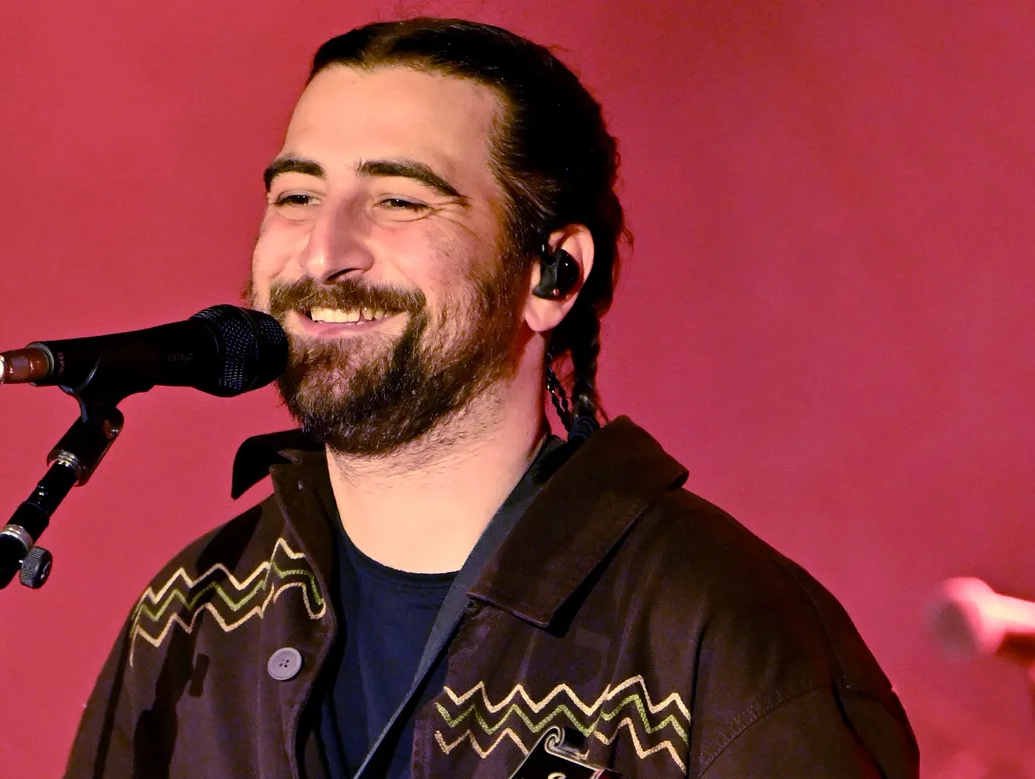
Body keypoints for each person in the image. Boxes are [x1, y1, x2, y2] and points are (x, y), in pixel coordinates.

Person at [65, 18, 919, 779]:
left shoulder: (724, 628)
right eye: (296, 196)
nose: (323, 251)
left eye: (398, 200)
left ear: (552, 276)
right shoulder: (193, 611)